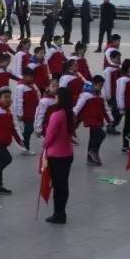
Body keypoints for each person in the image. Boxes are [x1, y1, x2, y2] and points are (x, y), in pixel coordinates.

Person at [43, 88, 76, 223]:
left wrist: (44, 145)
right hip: (67, 153)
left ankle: (58, 213)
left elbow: (50, 135)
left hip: (55, 154)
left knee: (57, 185)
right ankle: (62, 212)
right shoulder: (70, 114)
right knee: (64, 184)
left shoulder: (56, 115)